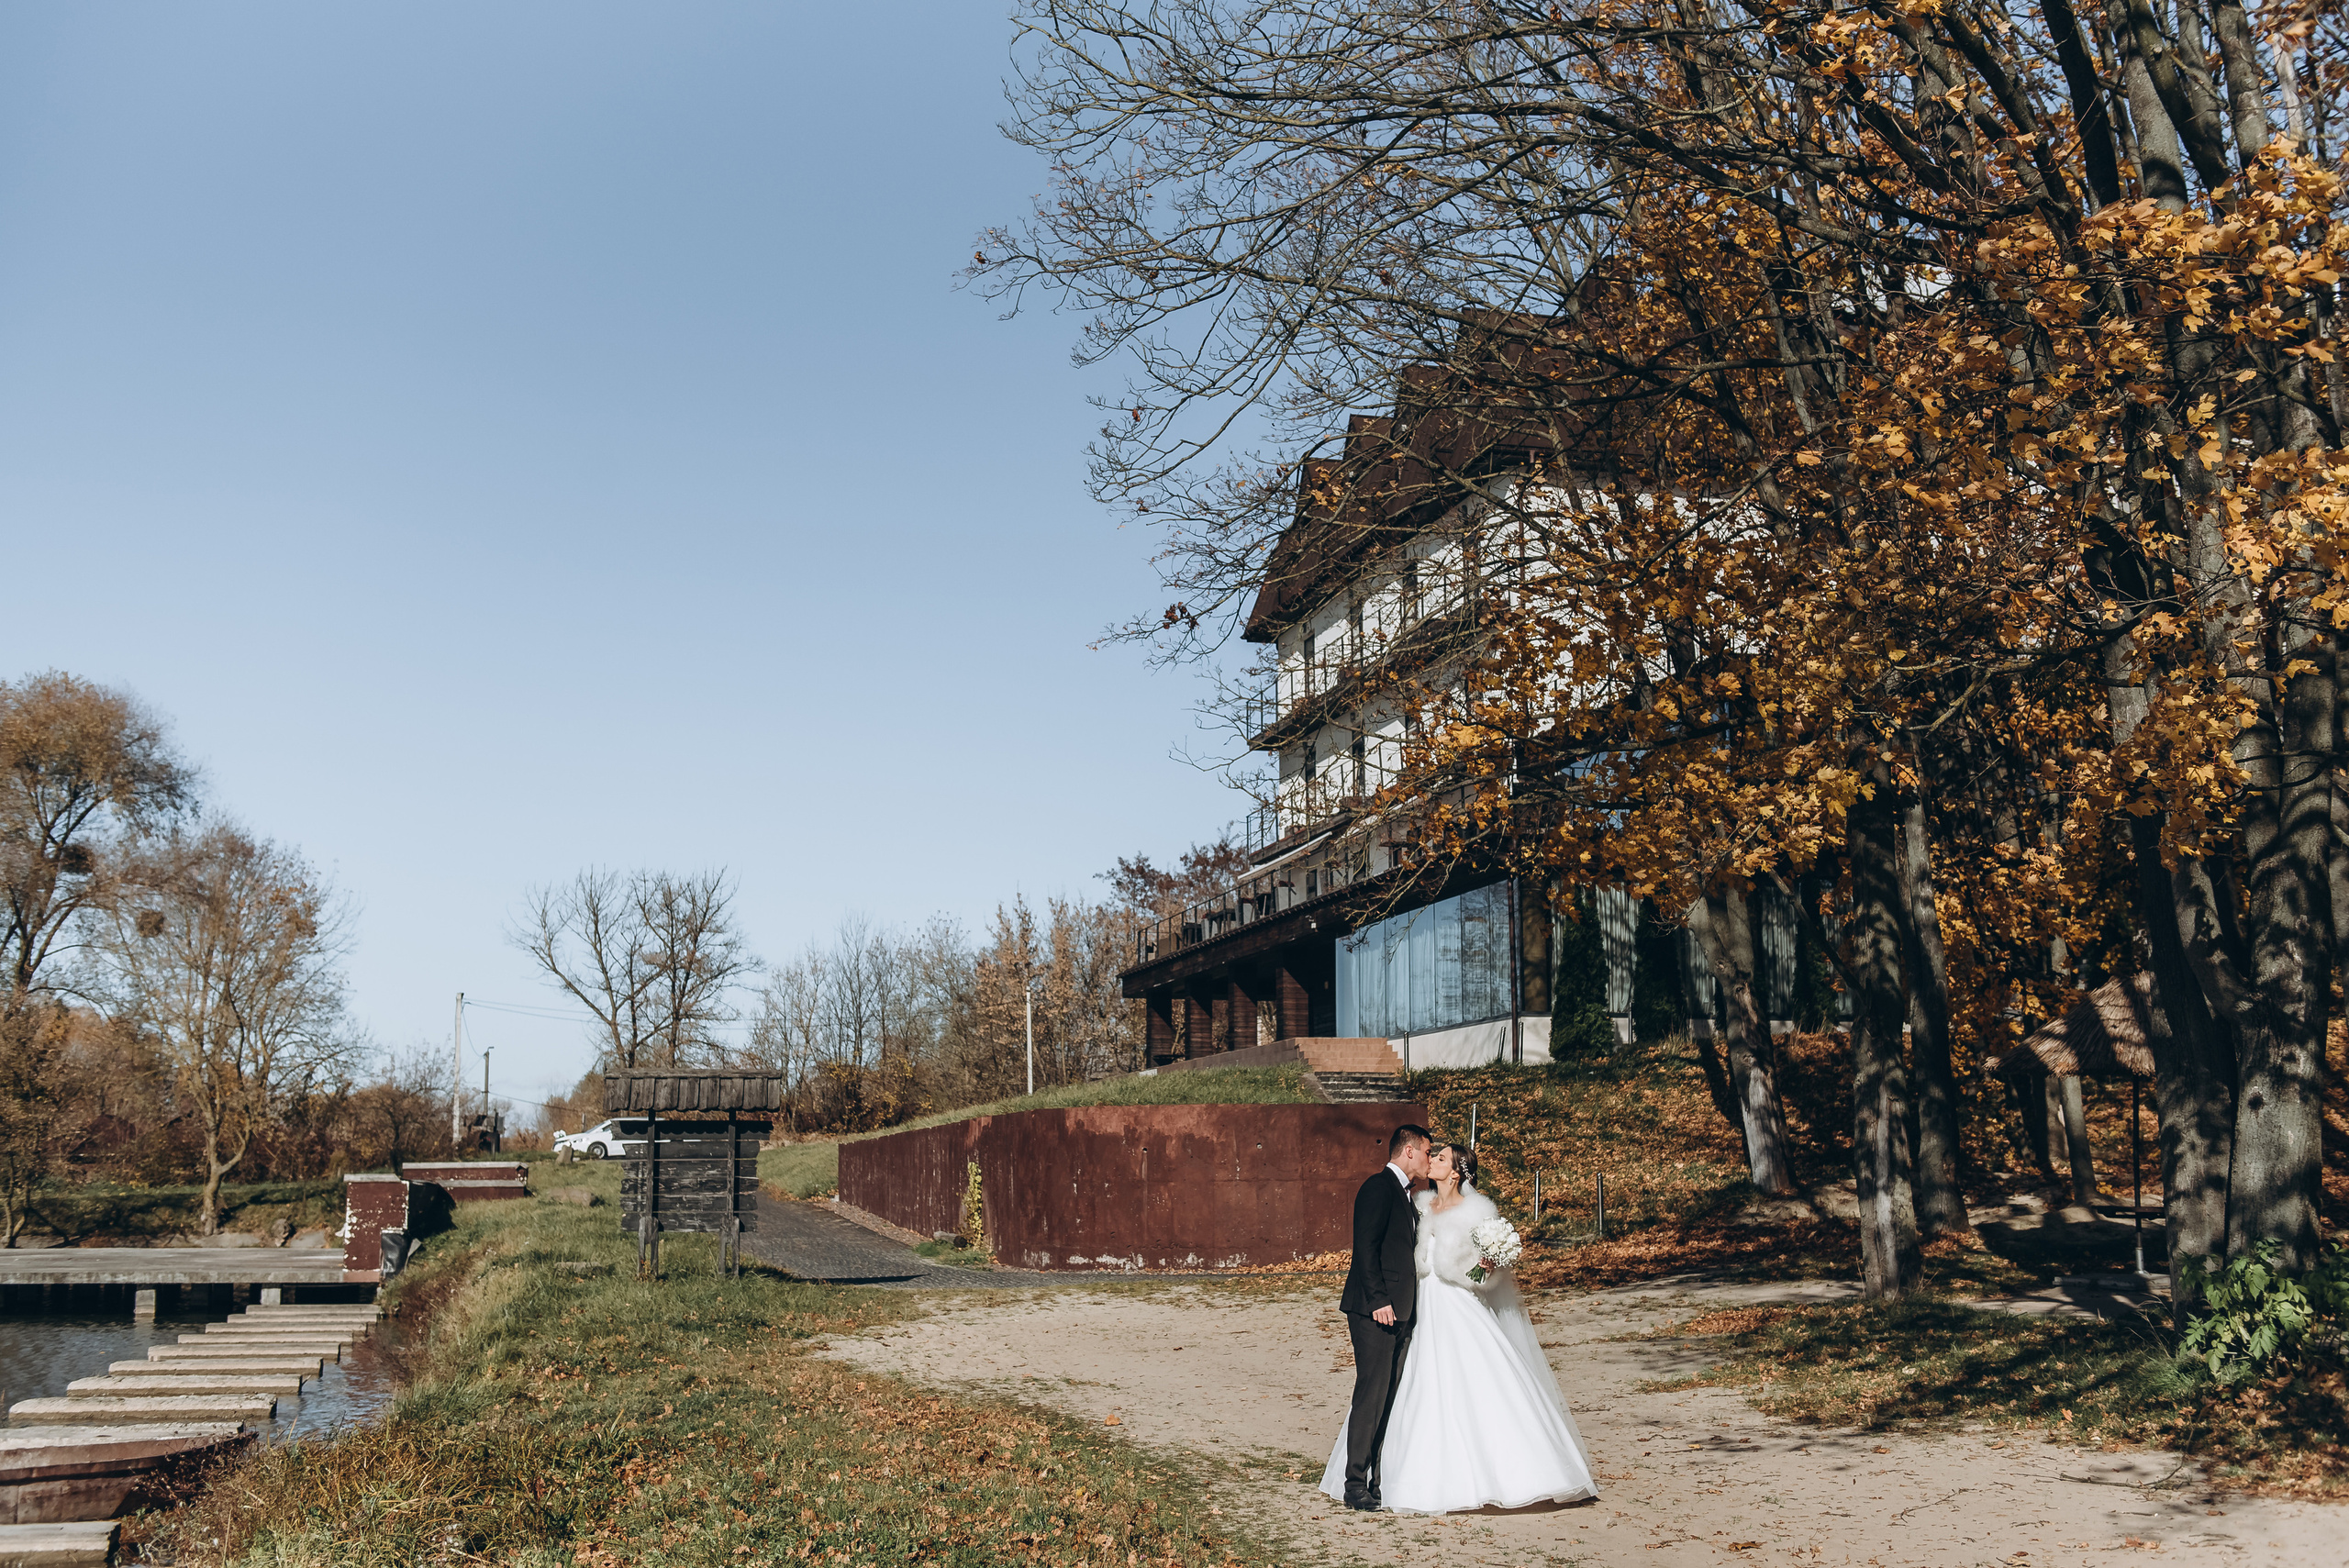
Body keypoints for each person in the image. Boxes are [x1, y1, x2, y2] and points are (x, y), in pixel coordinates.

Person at [1319, 1140, 1598, 1514]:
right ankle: (1373, 1477)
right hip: (1419, 1305)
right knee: (1406, 1386)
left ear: (1455, 1172)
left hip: (1457, 1305)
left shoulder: (1476, 1211)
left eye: (1440, 1157)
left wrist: (1485, 1267)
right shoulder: (1420, 1205)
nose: (1432, 1160)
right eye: (1431, 1154)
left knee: (1475, 1384)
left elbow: (1486, 1275)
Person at [1333, 1122, 1431, 1511]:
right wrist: (1378, 1300)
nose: (1428, 1159)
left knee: (1388, 1397)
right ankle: (1354, 1484)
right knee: (1371, 1396)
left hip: (1399, 1313)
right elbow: (1365, 1248)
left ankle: (1376, 1480)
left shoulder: (1408, 1197)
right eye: (1427, 1152)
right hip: (1375, 1311)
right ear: (1409, 1150)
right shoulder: (1378, 1187)